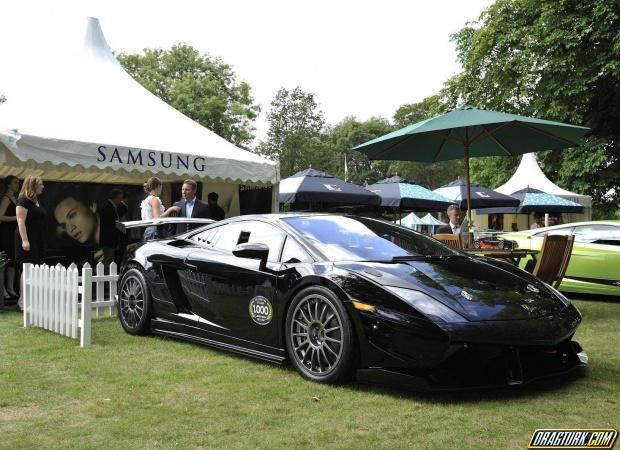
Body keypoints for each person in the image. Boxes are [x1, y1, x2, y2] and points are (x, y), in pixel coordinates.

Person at [15, 176, 46, 310]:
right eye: (40, 184)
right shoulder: (23, 200)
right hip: (27, 238)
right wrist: (25, 240)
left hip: (38, 238)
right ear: (33, 185)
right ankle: (22, 301)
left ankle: (32, 300)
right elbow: (20, 221)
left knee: (36, 268)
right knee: (27, 268)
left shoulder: (36, 201)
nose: (43, 187)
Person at [0, 176, 20, 299]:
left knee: (12, 262)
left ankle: (11, 288)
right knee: (5, 262)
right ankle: (2, 290)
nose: (18, 185)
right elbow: (0, 216)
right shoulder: (6, 198)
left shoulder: (15, 198)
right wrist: (16, 218)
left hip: (14, 234)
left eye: (18, 183)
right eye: (15, 183)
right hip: (5, 233)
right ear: (8, 185)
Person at [99, 189, 123, 268]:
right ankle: (103, 276)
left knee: (108, 259)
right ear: (115, 197)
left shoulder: (111, 207)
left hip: (110, 239)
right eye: (120, 198)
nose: (121, 200)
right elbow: (110, 223)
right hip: (108, 239)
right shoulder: (108, 208)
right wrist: (120, 224)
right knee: (108, 260)